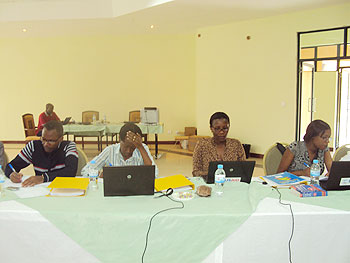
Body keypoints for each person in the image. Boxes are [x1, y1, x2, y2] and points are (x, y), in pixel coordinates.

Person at [5, 120, 78, 187]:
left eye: (51, 141)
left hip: (62, 188)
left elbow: (71, 171)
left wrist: (44, 178)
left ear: (60, 139)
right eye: (43, 139)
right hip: (39, 190)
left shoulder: (68, 146)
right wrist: (11, 174)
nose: (45, 144)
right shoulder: (33, 146)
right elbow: (11, 165)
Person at [81, 122, 158, 177]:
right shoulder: (110, 150)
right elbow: (86, 170)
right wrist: (98, 174)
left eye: (132, 148)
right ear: (119, 140)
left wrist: (140, 147)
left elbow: (154, 174)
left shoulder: (142, 148)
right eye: (126, 147)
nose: (128, 151)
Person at [192, 112, 246, 179]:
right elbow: (195, 172)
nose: (221, 132)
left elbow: (244, 169)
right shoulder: (202, 145)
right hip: (208, 185)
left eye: (225, 128)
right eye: (217, 128)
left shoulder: (236, 144)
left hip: (231, 184)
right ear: (211, 128)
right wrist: (215, 174)